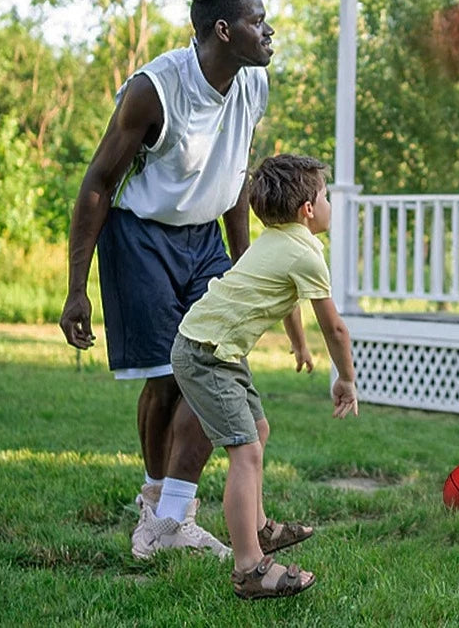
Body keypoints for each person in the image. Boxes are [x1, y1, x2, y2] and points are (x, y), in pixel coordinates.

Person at [59, 0, 302, 560]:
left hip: (204, 242)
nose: (268, 30)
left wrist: (244, 266)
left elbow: (237, 180)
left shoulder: (253, 84)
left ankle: (174, 520)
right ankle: (155, 511)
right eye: (256, 20)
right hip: (141, 238)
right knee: (167, 379)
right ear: (223, 29)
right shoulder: (155, 89)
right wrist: (76, 289)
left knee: (208, 366)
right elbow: (98, 181)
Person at [167, 153, 358, 599]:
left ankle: (258, 528)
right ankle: (250, 568)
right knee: (246, 452)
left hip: (216, 349)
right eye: (325, 197)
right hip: (205, 354)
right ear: (307, 209)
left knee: (258, 430)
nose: (329, 205)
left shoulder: (277, 241)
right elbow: (336, 327)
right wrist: (345, 379)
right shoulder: (305, 252)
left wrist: (299, 345)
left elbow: (288, 299)